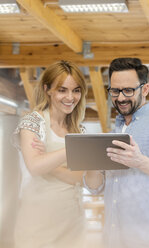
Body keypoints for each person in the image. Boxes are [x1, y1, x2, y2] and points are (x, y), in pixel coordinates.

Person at [84, 58, 149, 248]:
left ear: (145, 89)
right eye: (115, 91)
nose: (121, 98)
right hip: (112, 239)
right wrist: (91, 163)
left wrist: (140, 161)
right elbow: (95, 188)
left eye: (128, 90)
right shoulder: (115, 131)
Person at [12, 60, 87, 248]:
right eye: (62, 90)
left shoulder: (79, 130)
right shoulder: (32, 122)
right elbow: (36, 167)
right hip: (39, 225)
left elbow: (81, 178)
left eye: (76, 90)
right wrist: (71, 150)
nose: (70, 97)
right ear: (48, 90)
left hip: (74, 223)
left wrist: (50, 163)